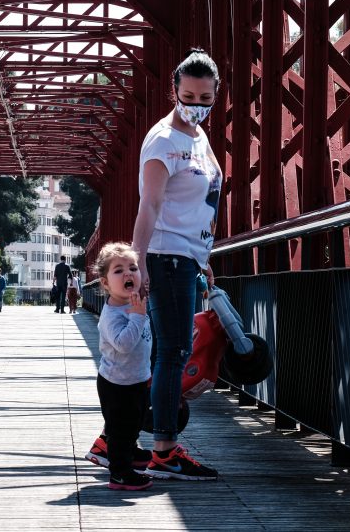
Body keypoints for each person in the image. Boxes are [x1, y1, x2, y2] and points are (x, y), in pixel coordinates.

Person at [132, 48, 222, 481]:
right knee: (172, 353)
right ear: (174, 90)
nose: (197, 105)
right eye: (189, 95)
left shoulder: (199, 139)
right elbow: (149, 205)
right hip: (165, 257)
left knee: (165, 353)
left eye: (205, 98)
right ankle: (164, 450)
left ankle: (115, 440)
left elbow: (198, 207)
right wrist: (138, 264)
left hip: (186, 257)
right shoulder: (164, 140)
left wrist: (203, 258)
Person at [83, 242, 154, 491]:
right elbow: (124, 344)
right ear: (105, 284)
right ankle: (120, 473)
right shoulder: (112, 315)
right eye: (118, 270)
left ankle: (130, 453)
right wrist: (137, 316)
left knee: (135, 422)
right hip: (116, 383)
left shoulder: (135, 303)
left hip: (136, 377)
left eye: (133, 268)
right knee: (120, 428)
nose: (128, 274)